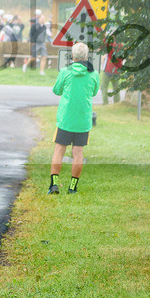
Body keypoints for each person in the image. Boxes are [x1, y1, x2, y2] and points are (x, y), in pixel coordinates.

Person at [49, 42, 100, 194]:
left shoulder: (65, 72)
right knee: (78, 153)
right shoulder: (93, 74)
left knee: (59, 151)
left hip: (65, 119)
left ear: (72, 56)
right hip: (83, 121)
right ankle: (72, 187)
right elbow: (94, 92)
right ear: (86, 57)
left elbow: (56, 90)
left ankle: (54, 185)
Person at [24, 10, 48, 75]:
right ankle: (25, 65)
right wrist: (33, 42)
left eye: (44, 18)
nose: (43, 19)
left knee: (44, 56)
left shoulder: (44, 26)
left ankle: (41, 71)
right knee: (33, 57)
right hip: (36, 43)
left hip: (42, 43)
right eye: (42, 18)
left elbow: (45, 34)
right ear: (39, 18)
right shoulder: (34, 26)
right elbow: (31, 34)